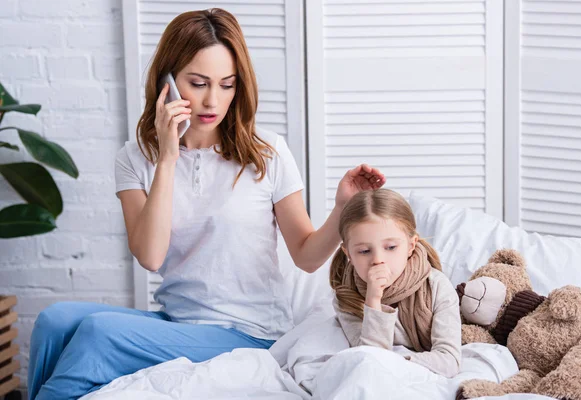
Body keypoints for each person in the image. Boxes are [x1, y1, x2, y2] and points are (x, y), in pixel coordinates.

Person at [27, 8, 385, 400]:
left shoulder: (267, 153)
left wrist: (342, 208)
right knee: (53, 321)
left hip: (248, 332)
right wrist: (167, 157)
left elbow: (306, 255)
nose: (213, 100)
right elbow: (150, 254)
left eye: (227, 85)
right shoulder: (135, 158)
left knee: (97, 333)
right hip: (176, 321)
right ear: (168, 82)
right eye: (197, 83)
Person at [329, 189, 461, 378]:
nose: (378, 260)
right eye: (365, 251)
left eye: (391, 247)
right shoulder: (346, 297)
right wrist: (373, 300)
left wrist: (397, 362)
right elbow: (370, 360)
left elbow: (449, 360)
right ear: (348, 254)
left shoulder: (438, 287)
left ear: (411, 246)